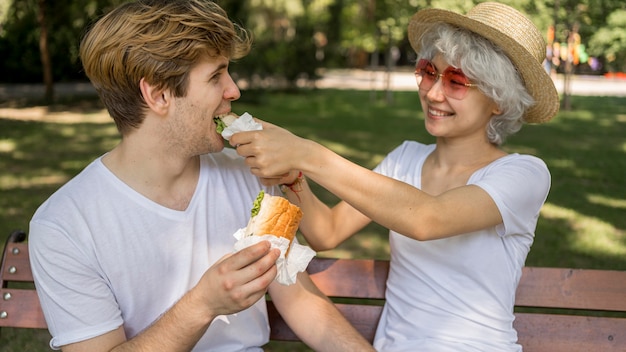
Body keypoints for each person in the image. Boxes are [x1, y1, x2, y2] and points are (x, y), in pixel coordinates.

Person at [28, 1, 375, 351]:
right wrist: (203, 304)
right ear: (158, 94)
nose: (234, 91)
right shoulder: (64, 226)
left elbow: (298, 299)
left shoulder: (249, 174)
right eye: (215, 76)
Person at [231, 2, 559, 351]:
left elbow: (427, 218)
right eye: (429, 72)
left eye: (457, 81)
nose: (433, 93)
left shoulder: (523, 174)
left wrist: (307, 153)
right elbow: (326, 231)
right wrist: (295, 174)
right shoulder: (405, 159)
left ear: (499, 101)